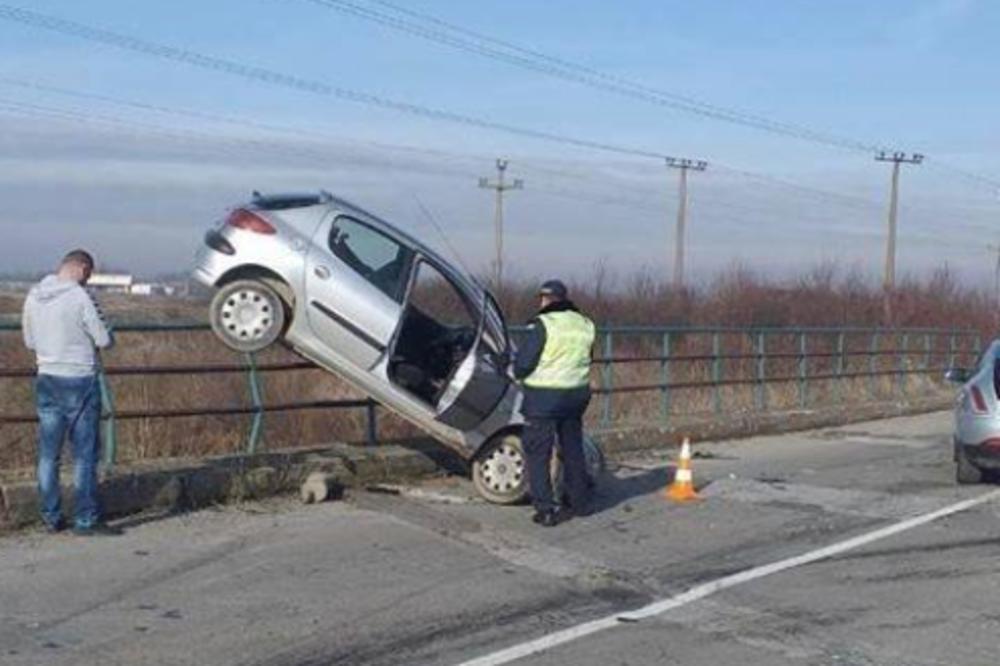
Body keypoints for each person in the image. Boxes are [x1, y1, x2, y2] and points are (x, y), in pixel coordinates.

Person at [22, 249, 116, 536]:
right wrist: (106, 330)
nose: (88, 280)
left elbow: (29, 341)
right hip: (79, 378)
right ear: (82, 268)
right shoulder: (79, 296)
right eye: (88, 274)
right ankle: (85, 519)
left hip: (47, 376)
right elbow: (103, 339)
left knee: (49, 453)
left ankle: (51, 516)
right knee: (84, 453)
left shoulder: (34, 294)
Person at [514, 279, 596, 527]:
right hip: (576, 396)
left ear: (545, 299)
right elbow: (587, 358)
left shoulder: (542, 324)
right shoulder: (585, 324)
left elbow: (524, 364)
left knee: (538, 452)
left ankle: (546, 509)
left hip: (544, 398)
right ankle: (579, 503)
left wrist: (518, 372)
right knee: (572, 448)